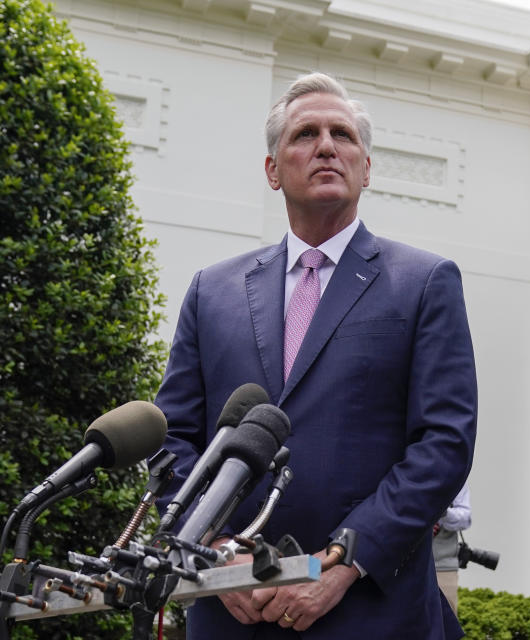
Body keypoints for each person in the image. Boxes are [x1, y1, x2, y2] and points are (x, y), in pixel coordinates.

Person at [154, 72, 478, 639]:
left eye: (343, 135)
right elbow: (174, 438)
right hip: (233, 610)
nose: (327, 146)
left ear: (367, 167)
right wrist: (211, 553)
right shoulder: (213, 291)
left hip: (372, 608)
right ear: (273, 170)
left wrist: (347, 560)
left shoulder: (425, 282)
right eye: (305, 134)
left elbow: (444, 444)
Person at [432, 484, 471, 613]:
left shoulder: (452, 472)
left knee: (445, 626)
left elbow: (465, 518)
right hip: (403, 567)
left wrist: (442, 511)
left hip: (442, 568)